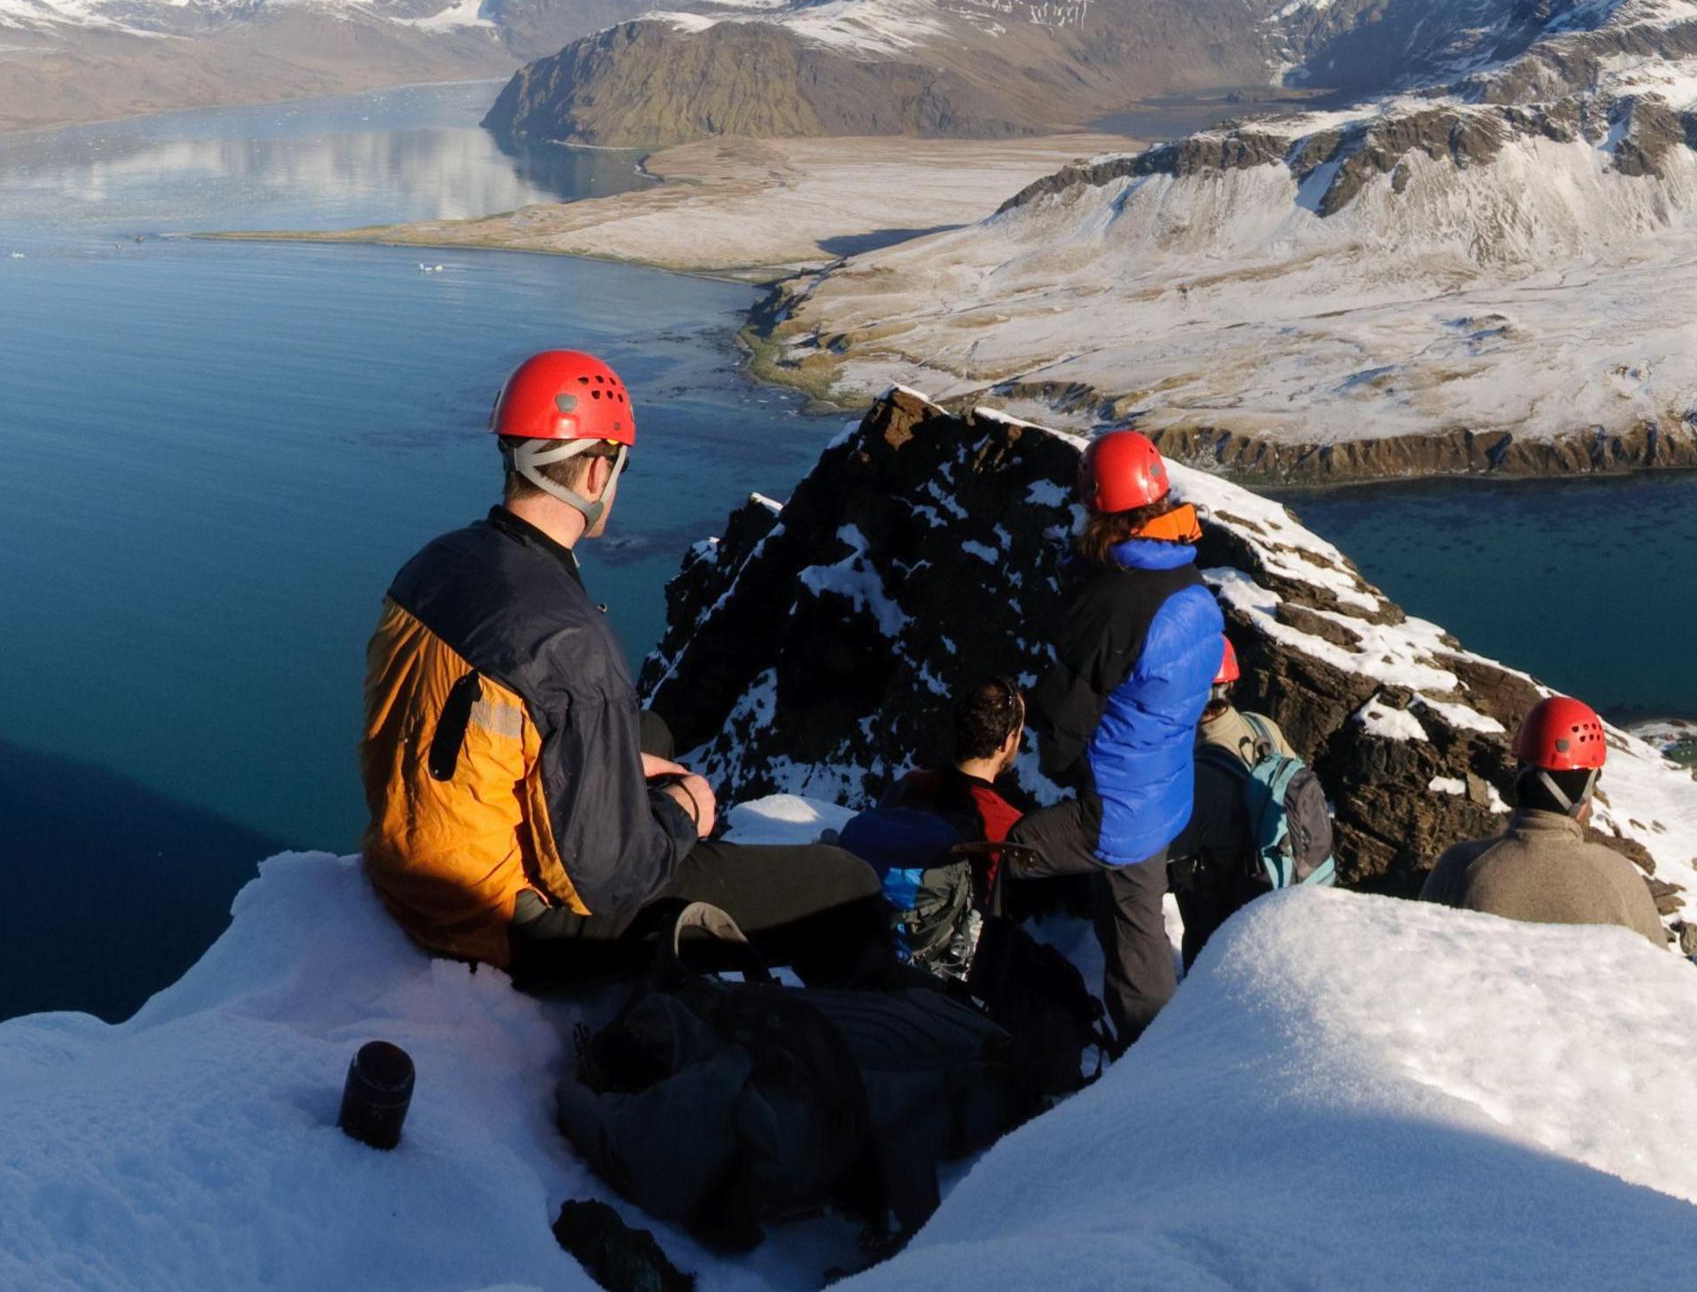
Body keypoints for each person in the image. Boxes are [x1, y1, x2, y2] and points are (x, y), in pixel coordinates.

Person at [359, 346, 891, 986]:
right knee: (850, 887)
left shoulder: (433, 565)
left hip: (411, 870)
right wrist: (681, 814)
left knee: (652, 734)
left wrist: (622, 764)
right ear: (594, 474)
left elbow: (482, 730)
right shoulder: (569, 637)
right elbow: (608, 882)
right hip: (502, 925)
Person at [1016, 428, 1222, 1044]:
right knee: (1130, 918)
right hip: (1165, 789)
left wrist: (1055, 757)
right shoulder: (1187, 582)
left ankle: (1149, 1074)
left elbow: (1063, 722)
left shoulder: (1114, 604)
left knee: (1005, 852)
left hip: (1119, 812)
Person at [1420, 694, 1670, 946]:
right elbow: (1665, 978)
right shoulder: (1618, 879)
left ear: (1520, 774)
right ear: (1586, 788)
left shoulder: (1458, 868)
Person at [833, 681, 1032, 980]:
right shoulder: (1008, 827)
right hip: (944, 970)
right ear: (1005, 743)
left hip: (868, 941)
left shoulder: (908, 786)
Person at [1169, 640, 1336, 959]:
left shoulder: (1200, 774)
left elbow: (1152, 846)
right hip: (1280, 894)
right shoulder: (1261, 726)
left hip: (1219, 925)